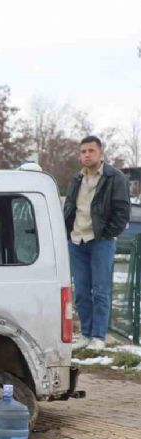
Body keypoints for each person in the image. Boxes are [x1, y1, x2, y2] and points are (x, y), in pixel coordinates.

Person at [63, 135, 131, 351]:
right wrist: (66, 231)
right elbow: (71, 207)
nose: (86, 155)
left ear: (101, 153)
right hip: (76, 240)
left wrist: (107, 233)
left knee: (100, 290)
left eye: (91, 151)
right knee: (81, 291)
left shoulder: (115, 177)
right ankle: (85, 333)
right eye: (83, 151)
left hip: (101, 241)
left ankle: (98, 337)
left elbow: (122, 210)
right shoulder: (76, 179)